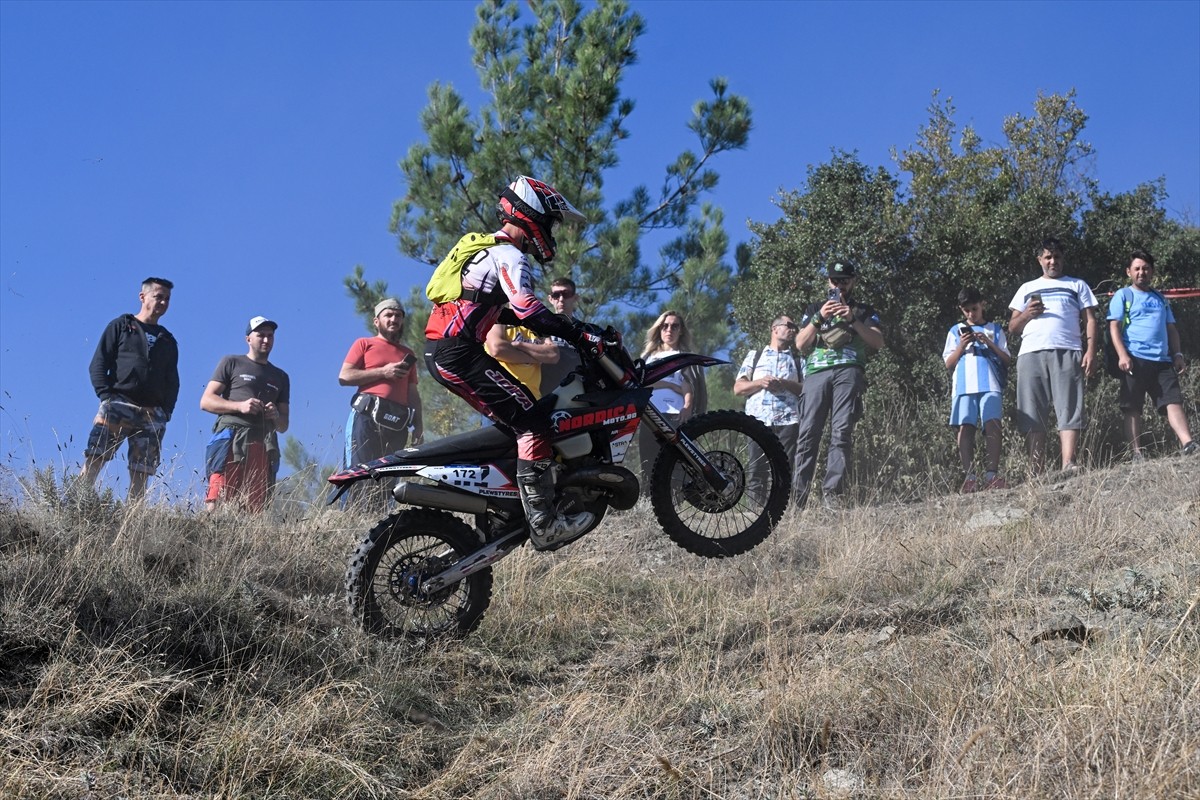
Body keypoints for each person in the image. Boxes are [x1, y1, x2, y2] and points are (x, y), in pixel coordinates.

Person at [424, 176, 600, 550]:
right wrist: (577, 334)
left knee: (517, 420)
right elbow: (527, 309)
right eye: (551, 222)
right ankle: (544, 522)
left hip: (448, 350)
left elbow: (494, 313)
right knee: (533, 420)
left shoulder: (487, 251)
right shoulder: (511, 255)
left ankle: (505, 508)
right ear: (532, 214)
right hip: (457, 353)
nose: (551, 232)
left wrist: (570, 326)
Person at [793, 260, 884, 510]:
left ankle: (831, 494)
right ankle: (797, 500)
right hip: (816, 373)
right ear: (828, 282)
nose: (839, 286)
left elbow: (877, 342)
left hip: (849, 370)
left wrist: (853, 320)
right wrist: (819, 317)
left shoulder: (863, 310)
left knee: (841, 431)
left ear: (853, 281)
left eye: (844, 280)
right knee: (808, 433)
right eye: (835, 280)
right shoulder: (814, 307)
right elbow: (800, 344)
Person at [80, 277, 179, 501]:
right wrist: (106, 396)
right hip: (118, 404)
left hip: (152, 414)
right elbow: (98, 363)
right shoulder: (122, 326)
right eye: (158, 296)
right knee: (95, 457)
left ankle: (132, 522)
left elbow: (172, 380)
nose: (163, 302)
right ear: (142, 297)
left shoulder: (168, 340)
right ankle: (76, 506)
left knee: (141, 472)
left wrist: (166, 411)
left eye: (167, 299)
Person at [1008, 237, 1099, 474]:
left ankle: (1068, 463)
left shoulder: (1077, 284)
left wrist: (1090, 350)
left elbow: (1090, 320)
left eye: (1057, 256)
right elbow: (1012, 327)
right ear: (1040, 260)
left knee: (1069, 406)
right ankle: (1035, 470)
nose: (1053, 261)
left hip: (1068, 350)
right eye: (1048, 257)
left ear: (1063, 259)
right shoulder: (1026, 288)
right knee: (1032, 410)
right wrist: (1027, 313)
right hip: (1031, 353)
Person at [1107, 250, 1195, 459]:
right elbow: (1114, 327)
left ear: (1152, 271)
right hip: (1134, 358)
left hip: (1163, 360)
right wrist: (1122, 355)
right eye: (1137, 268)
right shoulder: (1123, 295)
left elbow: (1171, 328)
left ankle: (1188, 444)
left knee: (1173, 401)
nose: (1141, 272)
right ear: (1128, 272)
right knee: (1132, 407)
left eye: (1145, 268)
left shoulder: (1160, 298)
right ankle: (1136, 452)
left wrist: (1178, 354)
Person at [339, 298, 425, 504]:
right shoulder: (364, 344)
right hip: (366, 416)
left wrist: (419, 426)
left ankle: (378, 522)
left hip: (397, 422)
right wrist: (383, 372)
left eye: (398, 316)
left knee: (388, 474)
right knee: (359, 470)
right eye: (388, 315)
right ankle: (351, 518)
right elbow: (345, 376)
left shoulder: (408, 354)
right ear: (376, 321)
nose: (393, 319)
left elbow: (412, 392)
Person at [201, 316, 291, 513]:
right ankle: (209, 536)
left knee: (255, 505)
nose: (266, 340)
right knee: (219, 495)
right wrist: (240, 406)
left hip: (263, 442)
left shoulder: (281, 376)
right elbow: (206, 401)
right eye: (261, 335)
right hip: (231, 436)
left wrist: (275, 415)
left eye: (270, 336)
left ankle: (246, 542)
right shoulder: (232, 362)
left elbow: (284, 425)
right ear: (248, 339)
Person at [943, 287, 1012, 492]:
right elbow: (948, 362)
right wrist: (961, 346)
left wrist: (989, 343)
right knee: (965, 428)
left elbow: (1007, 359)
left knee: (992, 425)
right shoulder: (955, 331)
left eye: (974, 308)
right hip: (964, 385)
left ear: (983, 304)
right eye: (966, 311)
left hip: (990, 383)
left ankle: (991, 474)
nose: (971, 314)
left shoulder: (995, 329)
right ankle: (969, 477)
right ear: (961, 310)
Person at [733, 315, 803, 501]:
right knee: (757, 469)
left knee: (784, 469)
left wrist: (785, 383)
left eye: (794, 327)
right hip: (758, 420)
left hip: (789, 420)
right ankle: (755, 514)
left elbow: (806, 390)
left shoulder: (797, 359)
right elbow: (738, 388)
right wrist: (760, 382)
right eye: (789, 325)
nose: (793, 330)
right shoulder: (755, 356)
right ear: (775, 329)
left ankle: (782, 512)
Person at [637, 311, 695, 490]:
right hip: (649, 412)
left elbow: (687, 384)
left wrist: (687, 406)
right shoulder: (648, 356)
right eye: (665, 326)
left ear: (681, 331)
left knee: (674, 460)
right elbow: (643, 381)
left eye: (674, 326)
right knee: (649, 459)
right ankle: (647, 498)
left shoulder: (684, 356)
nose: (669, 329)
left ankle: (674, 500)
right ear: (659, 329)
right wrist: (670, 386)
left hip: (674, 414)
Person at [486, 321, 560, 401]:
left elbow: (553, 355)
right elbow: (497, 349)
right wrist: (538, 357)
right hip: (506, 392)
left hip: (533, 397)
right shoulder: (499, 320)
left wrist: (519, 345)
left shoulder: (537, 326)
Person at [538, 277, 583, 396]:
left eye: (566, 294)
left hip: (578, 395)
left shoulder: (586, 330)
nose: (561, 299)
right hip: (546, 397)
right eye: (556, 295)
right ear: (550, 299)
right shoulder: (539, 326)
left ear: (575, 297)